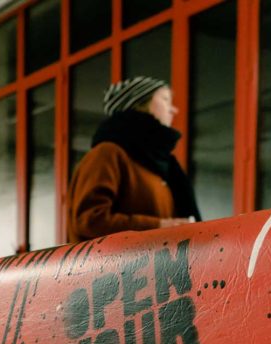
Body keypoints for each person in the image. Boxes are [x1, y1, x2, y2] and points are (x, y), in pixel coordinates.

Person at [67, 76, 201, 243]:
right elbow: (89, 220)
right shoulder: (108, 153)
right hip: (120, 260)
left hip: (154, 259)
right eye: (165, 99)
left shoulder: (161, 164)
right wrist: (160, 226)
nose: (174, 110)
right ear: (140, 104)